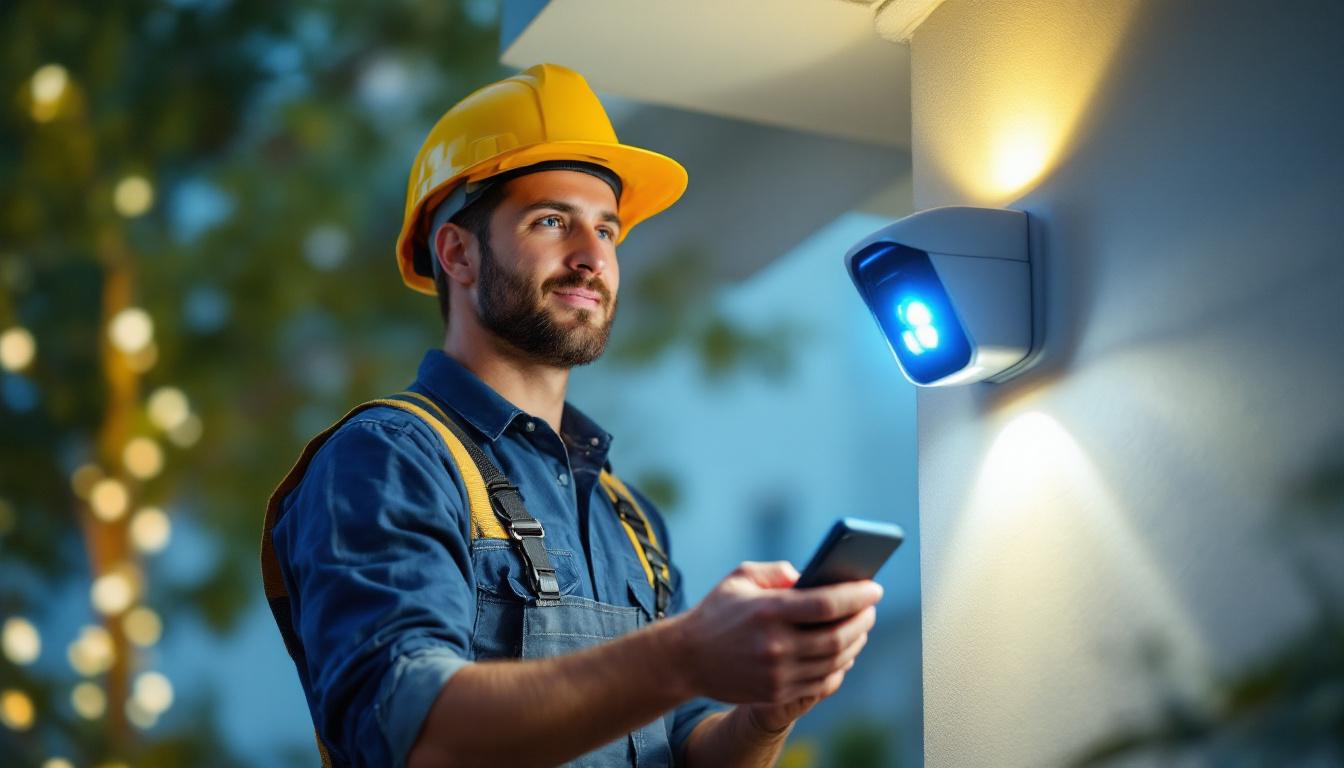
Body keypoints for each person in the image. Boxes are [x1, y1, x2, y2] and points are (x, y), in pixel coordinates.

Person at [261, 63, 883, 768]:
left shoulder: (629, 517)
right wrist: (688, 653)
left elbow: (684, 752)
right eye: (552, 221)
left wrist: (767, 713)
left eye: (609, 231)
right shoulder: (388, 459)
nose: (593, 258)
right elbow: (419, 734)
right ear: (458, 253)